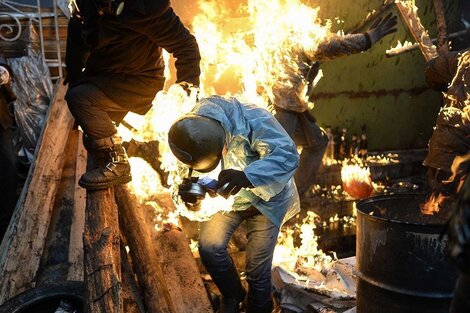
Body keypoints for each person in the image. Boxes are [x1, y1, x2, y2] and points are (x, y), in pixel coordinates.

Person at [168, 96, 299, 313]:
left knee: (257, 268)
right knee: (209, 247)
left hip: (268, 199)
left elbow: (287, 156)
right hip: (228, 200)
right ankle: (233, 295)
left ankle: (260, 307)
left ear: (223, 147)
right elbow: (184, 184)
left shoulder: (254, 119)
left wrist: (247, 176)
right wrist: (193, 201)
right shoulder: (188, 134)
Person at [64, 0, 201, 190]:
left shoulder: (145, 7)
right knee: (92, 140)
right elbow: (78, 38)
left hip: (139, 82)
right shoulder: (87, 4)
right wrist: (73, 76)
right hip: (104, 76)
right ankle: (129, 151)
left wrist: (187, 88)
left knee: (79, 98)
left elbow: (186, 46)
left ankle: (119, 163)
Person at [273, 12, 397, 198]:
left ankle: (292, 199)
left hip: (287, 105)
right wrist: (368, 39)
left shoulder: (282, 26)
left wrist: (304, 112)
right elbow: (330, 46)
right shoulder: (299, 31)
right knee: (275, 161)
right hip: (279, 108)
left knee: (318, 141)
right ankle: (271, 207)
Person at [423, 49, 470, 196]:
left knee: (438, 205)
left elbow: (431, 68)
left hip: (437, 154)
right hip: (458, 162)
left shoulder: (464, 58)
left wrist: (442, 87)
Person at [0, 62, 18, 240]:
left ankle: (9, 226)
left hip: (0, 122)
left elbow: (3, 65)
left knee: (8, 168)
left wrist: (4, 71)